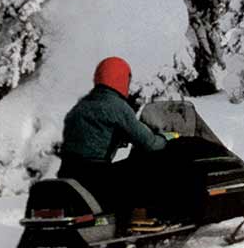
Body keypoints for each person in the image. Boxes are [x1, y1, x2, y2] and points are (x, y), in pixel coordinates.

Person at [58, 57, 175, 228]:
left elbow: (92, 136)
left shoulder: (82, 105)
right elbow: (150, 144)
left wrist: (120, 139)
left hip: (68, 171)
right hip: (96, 175)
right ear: (121, 79)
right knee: (141, 169)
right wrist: (167, 138)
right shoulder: (117, 106)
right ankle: (140, 217)